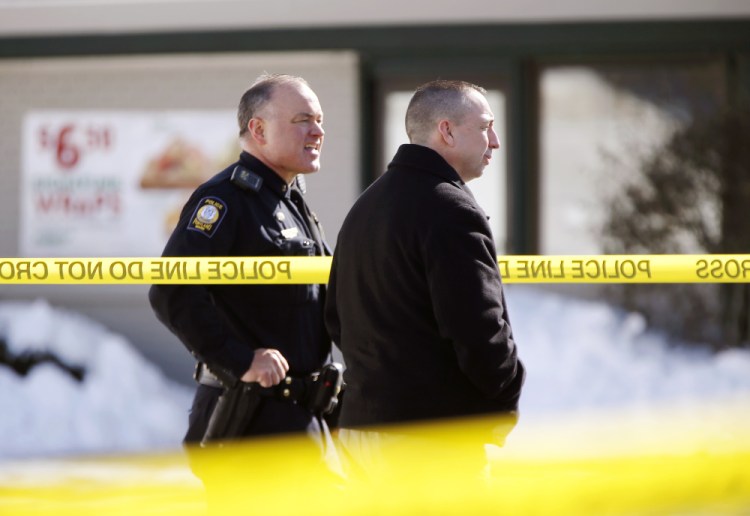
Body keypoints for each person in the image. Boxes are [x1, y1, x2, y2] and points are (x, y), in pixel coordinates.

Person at [325, 80, 525, 479]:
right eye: (485, 126)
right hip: (429, 444)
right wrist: (505, 395)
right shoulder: (450, 210)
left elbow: (335, 318)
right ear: (446, 131)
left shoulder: (366, 206)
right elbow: (478, 331)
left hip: (362, 431)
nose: (496, 141)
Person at [148, 74, 340, 484]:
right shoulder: (224, 200)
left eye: (320, 120)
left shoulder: (290, 201)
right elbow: (171, 290)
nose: (318, 131)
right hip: (250, 425)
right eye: (303, 120)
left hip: (302, 420)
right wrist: (240, 359)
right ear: (259, 129)